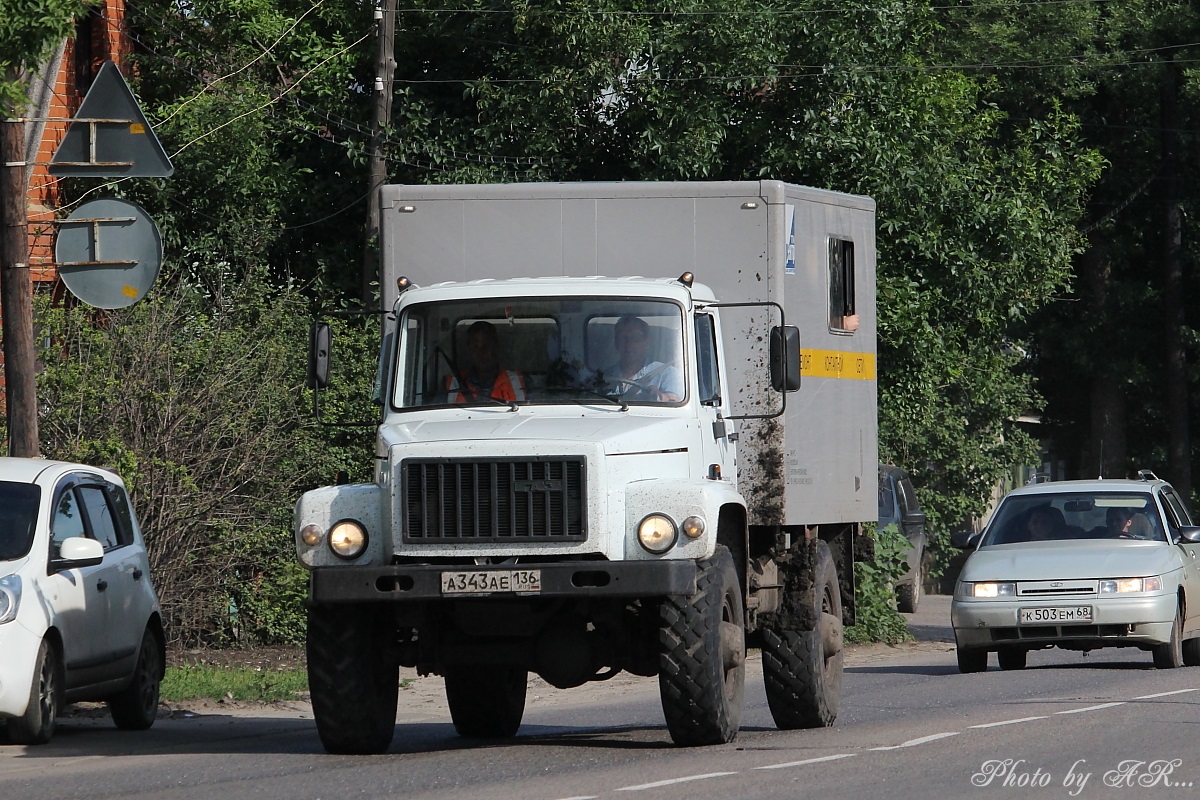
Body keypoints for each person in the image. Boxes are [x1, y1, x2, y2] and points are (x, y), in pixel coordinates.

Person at [603, 315, 684, 402]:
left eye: (635, 338)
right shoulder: (604, 377)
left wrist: (658, 396)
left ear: (647, 342)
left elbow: (675, 402)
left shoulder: (668, 373)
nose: (629, 344)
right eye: (622, 338)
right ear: (616, 343)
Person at [446, 321, 526, 403]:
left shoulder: (519, 381)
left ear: (496, 347)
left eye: (487, 345)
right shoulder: (453, 384)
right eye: (476, 346)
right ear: (469, 350)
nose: (481, 351)